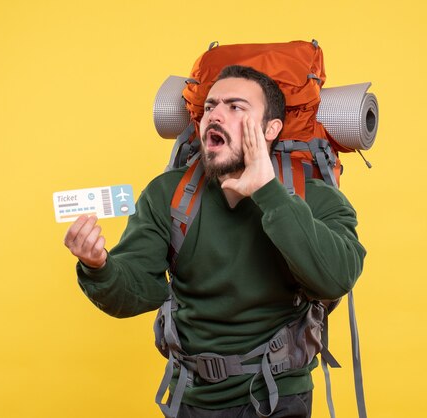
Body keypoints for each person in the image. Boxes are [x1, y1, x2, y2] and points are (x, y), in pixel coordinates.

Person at [64, 65, 366, 417]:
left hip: (277, 394)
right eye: (210, 107)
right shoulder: (169, 194)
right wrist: (98, 266)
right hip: (190, 397)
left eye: (236, 107)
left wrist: (269, 193)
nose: (216, 116)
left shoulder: (314, 197)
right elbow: (137, 293)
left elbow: (336, 278)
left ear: (272, 129)